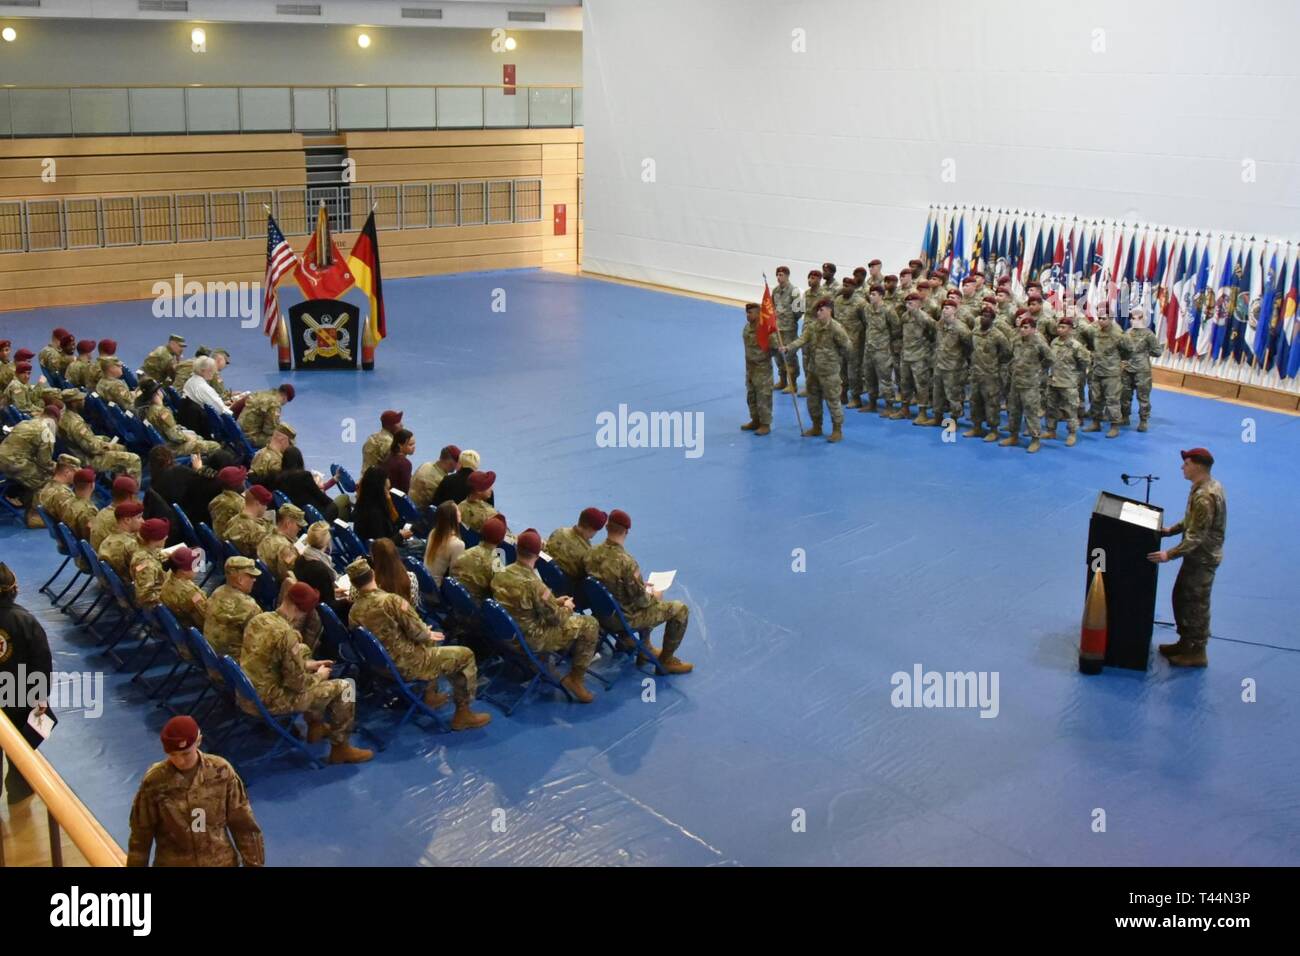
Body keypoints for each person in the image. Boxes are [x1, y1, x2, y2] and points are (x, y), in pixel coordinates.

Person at [346, 558, 491, 728]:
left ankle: (429, 695)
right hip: (409, 663)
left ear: (354, 584)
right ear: (373, 574)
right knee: (465, 655)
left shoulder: (353, 612)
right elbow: (418, 633)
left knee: (430, 640)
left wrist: (425, 634)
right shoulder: (392, 601)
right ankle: (463, 713)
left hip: (381, 666)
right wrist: (425, 631)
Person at [241, 582, 374, 763]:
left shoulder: (260, 620)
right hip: (270, 700)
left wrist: (308, 664)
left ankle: (316, 727)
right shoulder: (286, 635)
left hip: (249, 693)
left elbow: (272, 662)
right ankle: (340, 748)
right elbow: (298, 685)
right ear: (301, 610)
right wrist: (319, 675)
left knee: (305, 654)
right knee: (345, 687)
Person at [126, 715, 263, 867]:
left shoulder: (221, 772)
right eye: (172, 754)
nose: (180, 761)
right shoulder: (155, 781)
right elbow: (140, 836)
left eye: (185, 753)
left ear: (198, 741)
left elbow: (244, 827)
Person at [491, 528, 601, 702]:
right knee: (590, 624)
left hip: (508, 635)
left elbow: (524, 604)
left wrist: (555, 601)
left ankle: (542, 665)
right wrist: (568, 607)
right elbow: (557, 619)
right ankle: (576, 680)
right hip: (533, 638)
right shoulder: (536, 585)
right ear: (537, 554)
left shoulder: (501, 574)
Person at [583, 509, 693, 673]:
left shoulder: (590, 553)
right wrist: (654, 594)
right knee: (680, 609)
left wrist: (639, 585)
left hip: (602, 615)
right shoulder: (627, 563)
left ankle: (644, 648)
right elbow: (643, 601)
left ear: (607, 527)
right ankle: (666, 660)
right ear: (626, 531)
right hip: (624, 620)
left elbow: (609, 583)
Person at [1148, 448, 1227, 668]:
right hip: (1197, 557)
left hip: (1202, 558)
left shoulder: (1204, 496)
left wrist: (1168, 555)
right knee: (1182, 597)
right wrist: (1170, 530)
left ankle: (1197, 651)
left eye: (1187, 463)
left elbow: (1197, 537)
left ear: (1197, 467)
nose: (1183, 467)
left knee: (1196, 604)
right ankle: (1185, 642)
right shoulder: (1205, 487)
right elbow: (1191, 521)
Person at [0, 562, 53, 804]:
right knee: (21, 748)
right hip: (18, 696)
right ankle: (18, 789)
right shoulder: (25, 621)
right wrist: (41, 696)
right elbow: (41, 661)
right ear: (14, 588)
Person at [780, 297, 851, 443]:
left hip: (830, 373)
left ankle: (837, 430)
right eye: (817, 310)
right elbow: (802, 340)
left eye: (821, 310)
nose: (818, 313)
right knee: (813, 400)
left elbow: (848, 347)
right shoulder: (813, 326)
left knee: (833, 401)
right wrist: (788, 348)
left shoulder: (836, 328)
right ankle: (816, 426)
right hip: (813, 371)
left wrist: (837, 361)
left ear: (829, 311)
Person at [58, 388, 143, 479]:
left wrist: (104, 442)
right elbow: (93, 449)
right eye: (80, 399)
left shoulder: (63, 416)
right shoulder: (76, 424)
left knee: (106, 439)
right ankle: (130, 490)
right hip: (88, 460)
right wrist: (109, 446)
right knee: (133, 458)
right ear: (73, 403)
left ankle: (118, 476)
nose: (83, 401)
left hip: (77, 453)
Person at [1001, 314, 1054, 453]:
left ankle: (1035, 439)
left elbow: (1050, 358)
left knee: (1031, 412)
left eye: (1026, 327)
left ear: (1033, 329)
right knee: (1014, 411)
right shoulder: (1016, 340)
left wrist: (1039, 370)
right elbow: (1009, 355)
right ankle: (1013, 436)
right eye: (1021, 327)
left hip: (1030, 383)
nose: (1022, 330)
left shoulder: (1039, 342)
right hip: (1016, 381)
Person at [1043, 317, 1091, 446]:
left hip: (1068, 383)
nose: (1060, 329)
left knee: (1070, 410)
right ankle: (1051, 430)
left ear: (1070, 330)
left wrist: (1073, 374)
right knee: (1051, 408)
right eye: (1059, 327)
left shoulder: (1076, 346)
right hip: (1053, 381)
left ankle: (1072, 434)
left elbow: (1084, 362)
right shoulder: (1054, 342)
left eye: (1063, 327)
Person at [1082, 312, 1131, 438]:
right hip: (1097, 370)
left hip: (1111, 372)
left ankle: (1114, 426)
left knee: (1112, 400)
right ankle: (1096, 422)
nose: (1101, 321)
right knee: (1096, 398)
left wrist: (1119, 362)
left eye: (1104, 319)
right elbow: (1092, 344)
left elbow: (1129, 350)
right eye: (1099, 318)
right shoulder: (1096, 331)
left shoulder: (1118, 334)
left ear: (1111, 318)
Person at [141, 380, 222, 457]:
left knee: (196, 436)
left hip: (162, 445)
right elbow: (174, 436)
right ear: (158, 393)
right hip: (173, 448)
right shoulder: (162, 411)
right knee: (214, 446)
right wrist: (188, 438)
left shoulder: (146, 410)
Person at [204, 556, 263, 660]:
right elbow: (262, 640)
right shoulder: (249, 606)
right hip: (234, 667)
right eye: (251, 576)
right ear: (240, 580)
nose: (254, 580)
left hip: (210, 659)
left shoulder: (217, 592)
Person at [965, 305, 1010, 440]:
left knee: (992, 403)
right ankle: (977, 427)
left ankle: (993, 430)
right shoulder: (975, 332)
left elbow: (1007, 353)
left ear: (992, 319)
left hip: (991, 375)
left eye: (988, 316)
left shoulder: (998, 335)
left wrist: (995, 364)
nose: (985, 318)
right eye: (983, 315)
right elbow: (970, 348)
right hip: (975, 373)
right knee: (974, 401)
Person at [892, 292, 936, 423]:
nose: (908, 305)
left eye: (912, 302)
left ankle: (922, 413)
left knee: (921, 385)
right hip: (906, 355)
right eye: (907, 302)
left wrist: (928, 348)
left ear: (919, 303)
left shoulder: (925, 317)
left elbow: (935, 332)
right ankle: (904, 409)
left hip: (920, 356)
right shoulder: (905, 316)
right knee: (904, 383)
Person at [929, 300, 972, 428]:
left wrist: (960, 358)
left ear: (955, 310)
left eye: (948, 308)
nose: (944, 310)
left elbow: (969, 345)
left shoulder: (961, 328)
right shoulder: (939, 324)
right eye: (944, 308)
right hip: (939, 364)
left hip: (954, 367)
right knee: (937, 393)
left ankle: (954, 420)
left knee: (953, 396)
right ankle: (938, 417)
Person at [545, 506, 607, 592]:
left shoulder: (558, 532)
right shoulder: (587, 554)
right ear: (591, 529)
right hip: (570, 591)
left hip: (548, 579)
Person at [1120, 305, 1163, 430]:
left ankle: (1143, 420)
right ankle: (1125, 417)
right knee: (1124, 395)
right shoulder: (1127, 332)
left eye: (1138, 318)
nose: (1134, 320)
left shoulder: (1148, 334)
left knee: (1143, 396)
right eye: (1133, 318)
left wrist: (1144, 353)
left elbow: (1158, 351)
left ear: (1143, 319)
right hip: (1127, 369)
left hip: (1142, 371)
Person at [859, 284, 899, 416]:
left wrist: (887, 343)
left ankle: (889, 405)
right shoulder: (867, 309)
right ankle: (872, 403)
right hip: (869, 348)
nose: (871, 296)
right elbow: (867, 325)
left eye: (874, 294)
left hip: (883, 350)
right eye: (870, 294)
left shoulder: (888, 310)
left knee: (885, 379)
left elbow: (896, 328)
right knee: (869, 377)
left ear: (881, 296)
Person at [353, 465, 416, 548]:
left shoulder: (362, 504)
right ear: (379, 490)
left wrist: (390, 504)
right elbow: (380, 546)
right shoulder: (375, 514)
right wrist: (401, 536)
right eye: (386, 489)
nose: (388, 495)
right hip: (383, 554)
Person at [294, 521, 347, 616]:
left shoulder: (301, 558)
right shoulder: (321, 570)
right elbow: (329, 605)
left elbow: (318, 590)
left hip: (308, 603)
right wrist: (348, 600)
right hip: (319, 613)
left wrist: (332, 592)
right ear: (327, 543)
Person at [273, 446, 339, 521]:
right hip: (309, 517)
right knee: (335, 506)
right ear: (300, 460)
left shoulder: (277, 478)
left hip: (291, 516)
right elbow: (322, 498)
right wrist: (332, 504)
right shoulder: (305, 476)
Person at [450, 514, 507, 602]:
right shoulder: (497, 564)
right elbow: (501, 596)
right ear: (501, 540)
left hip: (454, 600)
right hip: (474, 609)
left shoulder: (466, 552)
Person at [739, 303, 774, 436]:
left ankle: (765, 424)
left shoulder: (765, 330)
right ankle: (755, 420)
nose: (748, 315)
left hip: (763, 370)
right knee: (751, 396)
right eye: (747, 313)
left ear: (759, 313)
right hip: (750, 369)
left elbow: (775, 348)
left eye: (751, 313)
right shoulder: (747, 329)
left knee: (763, 397)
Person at [771, 265, 803, 393]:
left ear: (787, 275)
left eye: (781, 275)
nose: (779, 277)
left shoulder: (794, 291)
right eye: (777, 275)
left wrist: (790, 319)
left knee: (789, 355)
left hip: (789, 328)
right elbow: (772, 308)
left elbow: (799, 311)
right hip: (777, 328)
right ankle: (782, 379)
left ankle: (793, 383)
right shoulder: (775, 291)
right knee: (778, 355)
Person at [161, 546, 208, 631]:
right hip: (193, 628)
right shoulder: (190, 593)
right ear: (184, 572)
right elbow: (205, 617)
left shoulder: (169, 574)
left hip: (178, 621)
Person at [257, 502, 306, 582]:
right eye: (298, 526)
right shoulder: (285, 547)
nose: (300, 529)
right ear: (288, 524)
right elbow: (289, 577)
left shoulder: (266, 530)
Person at [423, 502, 466, 593]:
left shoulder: (433, 532)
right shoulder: (458, 544)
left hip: (424, 582)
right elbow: (455, 577)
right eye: (457, 510)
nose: (460, 512)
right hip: (436, 591)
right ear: (452, 517)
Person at [129, 518, 171, 610]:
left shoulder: (143, 551)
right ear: (155, 539)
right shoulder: (147, 565)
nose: (166, 537)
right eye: (164, 535)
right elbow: (145, 596)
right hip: (158, 607)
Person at [236, 383, 295, 448]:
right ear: (285, 397)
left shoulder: (262, 394)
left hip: (239, 429)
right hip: (249, 437)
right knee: (284, 441)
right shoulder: (275, 404)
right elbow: (268, 431)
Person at [223, 485, 275, 557]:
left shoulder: (233, 519)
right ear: (257, 503)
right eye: (265, 505)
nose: (266, 508)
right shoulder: (257, 530)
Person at [90, 476, 139, 551]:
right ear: (131, 496)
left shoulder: (103, 512)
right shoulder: (120, 519)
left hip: (98, 556)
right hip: (108, 558)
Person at [410, 444, 461, 511]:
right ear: (451, 462)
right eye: (458, 462)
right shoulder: (442, 481)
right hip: (420, 515)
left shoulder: (425, 465)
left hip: (409, 506)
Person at [370, 537, 419, 605]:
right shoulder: (411, 578)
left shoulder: (370, 582)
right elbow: (413, 605)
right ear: (396, 555)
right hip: (404, 615)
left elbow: (353, 598)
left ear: (374, 559)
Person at [35, 454, 80, 523]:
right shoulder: (62, 494)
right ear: (67, 472)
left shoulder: (47, 485)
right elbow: (74, 520)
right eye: (76, 473)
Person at [208, 466, 248, 538]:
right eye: (242, 480)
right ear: (236, 485)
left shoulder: (217, 500)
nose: (245, 481)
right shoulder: (239, 504)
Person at [361, 409, 404, 474]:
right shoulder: (389, 442)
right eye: (398, 422)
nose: (402, 425)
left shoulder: (373, 437)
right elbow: (394, 467)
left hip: (365, 479)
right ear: (389, 426)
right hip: (378, 481)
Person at [62, 467, 100, 540]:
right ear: (92, 485)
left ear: (75, 484)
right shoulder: (89, 510)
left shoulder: (67, 502)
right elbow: (92, 537)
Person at [385, 428, 416, 494]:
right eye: (410, 445)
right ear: (400, 445)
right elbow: (405, 491)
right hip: (396, 501)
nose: (414, 447)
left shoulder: (389, 457)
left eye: (414, 444)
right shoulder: (405, 464)